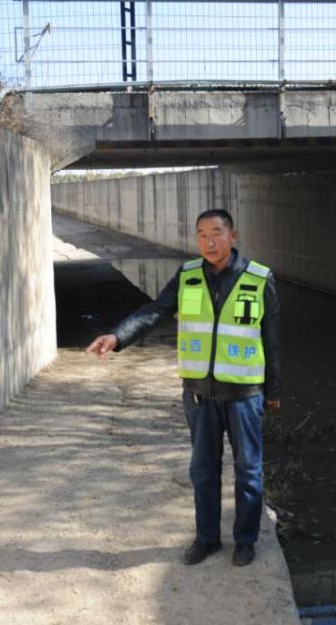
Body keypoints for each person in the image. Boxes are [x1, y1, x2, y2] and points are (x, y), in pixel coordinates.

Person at [85, 208, 281, 567]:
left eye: (217, 232)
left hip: (244, 394)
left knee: (248, 471)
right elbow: (155, 311)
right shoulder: (187, 276)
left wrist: (275, 391)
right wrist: (117, 336)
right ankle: (207, 539)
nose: (209, 241)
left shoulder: (259, 278)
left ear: (232, 236)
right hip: (198, 395)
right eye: (202, 234)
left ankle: (245, 541)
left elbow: (271, 339)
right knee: (203, 469)